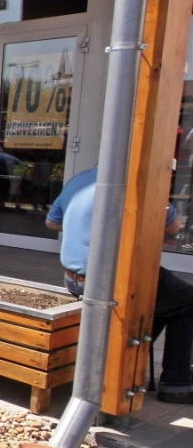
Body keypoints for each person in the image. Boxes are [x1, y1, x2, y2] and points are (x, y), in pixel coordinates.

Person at [47, 166, 193, 404]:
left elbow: (52, 223)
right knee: (186, 300)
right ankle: (176, 384)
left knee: (167, 298)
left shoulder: (78, 181)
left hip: (74, 278)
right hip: (112, 283)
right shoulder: (140, 183)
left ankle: (132, 360)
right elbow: (174, 227)